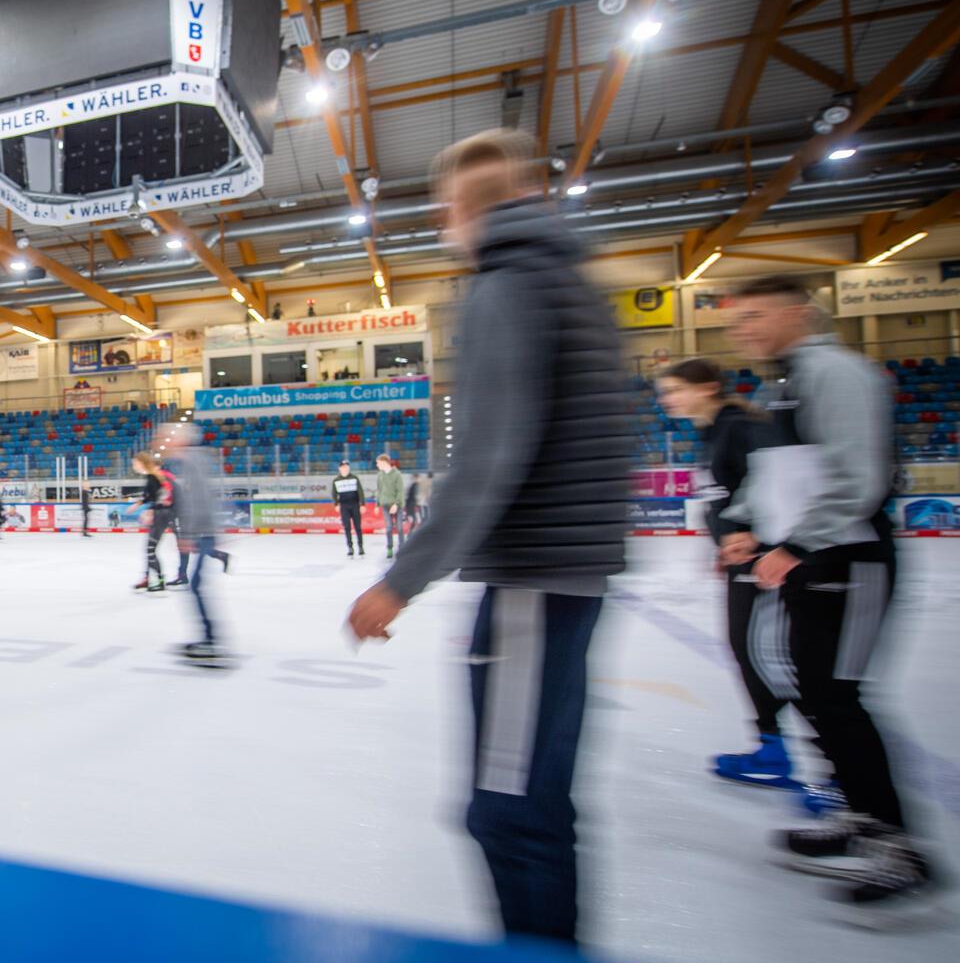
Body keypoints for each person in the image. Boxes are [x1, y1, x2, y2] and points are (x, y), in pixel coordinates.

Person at [347, 129, 629, 947]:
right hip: (562, 576)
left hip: (535, 578)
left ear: (462, 206)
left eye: (444, 209)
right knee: (527, 803)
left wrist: (401, 578)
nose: (444, 222)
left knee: (510, 813)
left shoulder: (507, 286)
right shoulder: (567, 279)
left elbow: (490, 456)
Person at [716, 274, 937, 923]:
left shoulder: (838, 374)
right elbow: (773, 475)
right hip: (805, 560)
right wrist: (745, 524)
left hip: (849, 558)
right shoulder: (779, 384)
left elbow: (857, 475)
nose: (744, 331)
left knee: (838, 696)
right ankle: (856, 814)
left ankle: (900, 845)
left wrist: (801, 545)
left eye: (755, 317)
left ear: (798, 313)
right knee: (812, 688)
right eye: (738, 321)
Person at [655, 358, 797, 791]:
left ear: (709, 386)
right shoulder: (711, 432)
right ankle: (772, 747)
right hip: (740, 560)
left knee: (776, 655)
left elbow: (779, 483)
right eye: (665, 391)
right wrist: (723, 541)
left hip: (770, 560)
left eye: (676, 389)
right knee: (744, 648)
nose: (667, 399)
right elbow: (723, 496)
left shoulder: (740, 427)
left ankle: (834, 767)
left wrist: (756, 535)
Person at [165, 426, 224, 662]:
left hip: (205, 530)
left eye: (169, 439)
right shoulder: (195, 459)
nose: (166, 443)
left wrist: (188, 534)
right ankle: (209, 638)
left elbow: (196, 499)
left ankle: (210, 641)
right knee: (197, 585)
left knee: (197, 585)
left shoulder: (192, 461)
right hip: (206, 530)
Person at [131, 451, 174, 593]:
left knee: (150, 550)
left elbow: (160, 496)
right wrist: (139, 504)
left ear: (142, 462)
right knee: (149, 549)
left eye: (135, 463)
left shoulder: (153, 476)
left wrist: (151, 511)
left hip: (161, 515)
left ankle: (160, 582)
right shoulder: (152, 476)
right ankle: (148, 579)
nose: (133, 466)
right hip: (160, 514)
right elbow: (152, 495)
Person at [374, 454, 408, 558]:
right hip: (385, 505)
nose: (377, 465)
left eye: (378, 463)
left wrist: (396, 504)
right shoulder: (380, 475)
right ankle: (389, 548)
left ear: (384, 462)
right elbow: (379, 490)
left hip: (397, 505)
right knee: (388, 528)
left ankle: (402, 548)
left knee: (399, 527)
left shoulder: (397, 474)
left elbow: (400, 491)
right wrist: (377, 504)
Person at [330, 461, 365, 557]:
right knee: (347, 527)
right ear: (340, 468)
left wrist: (362, 504)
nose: (345, 469)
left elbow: (360, 491)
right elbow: (334, 493)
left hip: (355, 504)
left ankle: (361, 546)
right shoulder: (336, 480)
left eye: (347, 467)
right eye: (343, 467)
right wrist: (336, 504)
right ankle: (350, 547)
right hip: (344, 506)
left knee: (358, 527)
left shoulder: (354, 478)